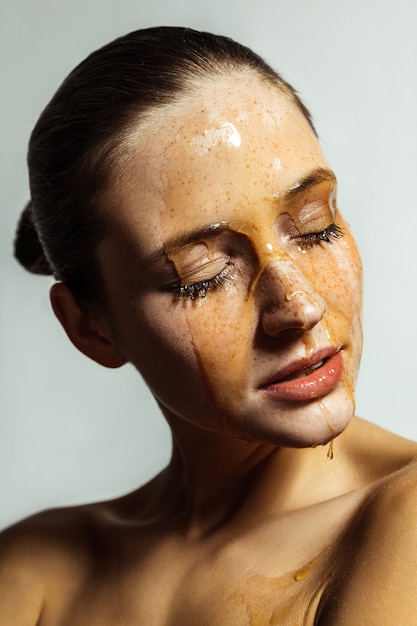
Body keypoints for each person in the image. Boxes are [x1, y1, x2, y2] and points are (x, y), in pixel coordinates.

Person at [2, 25, 417, 625]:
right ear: (92, 329)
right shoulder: (29, 570)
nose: (299, 307)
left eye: (314, 225)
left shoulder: (402, 522)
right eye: (202, 275)